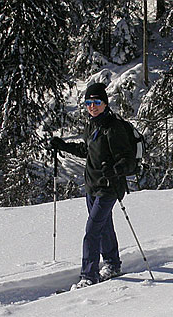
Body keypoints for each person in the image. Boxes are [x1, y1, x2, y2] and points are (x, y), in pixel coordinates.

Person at [51, 83, 136, 288]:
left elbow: (128, 160)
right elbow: (88, 150)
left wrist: (114, 170)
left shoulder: (114, 127)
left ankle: (89, 275)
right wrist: (63, 146)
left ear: (105, 103)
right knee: (103, 225)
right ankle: (112, 264)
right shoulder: (92, 124)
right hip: (92, 185)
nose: (92, 106)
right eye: (88, 103)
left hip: (109, 187)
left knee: (92, 230)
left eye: (96, 102)